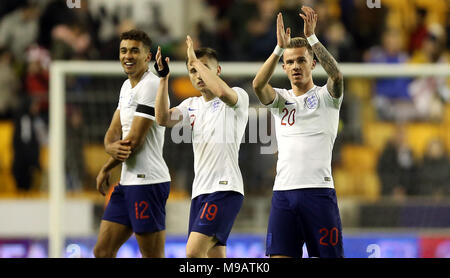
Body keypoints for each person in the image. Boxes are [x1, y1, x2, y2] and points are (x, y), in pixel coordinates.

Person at [252, 6, 344, 258]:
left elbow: (336, 75)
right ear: (283, 67)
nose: (295, 66)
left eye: (301, 60)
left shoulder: (327, 97)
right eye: (289, 62)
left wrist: (312, 38)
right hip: (283, 193)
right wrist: (277, 50)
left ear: (312, 64)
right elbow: (258, 84)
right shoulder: (280, 100)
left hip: (318, 193)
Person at [154, 36, 249, 258]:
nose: (197, 75)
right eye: (193, 71)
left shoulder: (237, 97)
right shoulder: (191, 105)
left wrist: (193, 60)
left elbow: (223, 93)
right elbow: (162, 119)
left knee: (193, 253)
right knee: (215, 257)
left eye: (204, 68)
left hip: (224, 188)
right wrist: (163, 79)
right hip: (201, 192)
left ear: (218, 70)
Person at [93, 29, 171, 258]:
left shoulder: (151, 85)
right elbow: (113, 131)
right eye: (124, 50)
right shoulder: (126, 87)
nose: (128, 55)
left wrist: (106, 167)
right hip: (128, 183)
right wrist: (108, 147)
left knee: (152, 256)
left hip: (148, 182)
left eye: (135, 51)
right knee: (102, 251)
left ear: (147, 57)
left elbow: (132, 142)